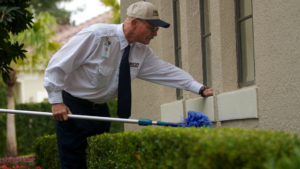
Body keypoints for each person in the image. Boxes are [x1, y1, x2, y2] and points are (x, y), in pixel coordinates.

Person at [43, 1, 213, 168]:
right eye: (152, 28)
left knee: (97, 161)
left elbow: (167, 72)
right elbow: (57, 66)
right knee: (74, 163)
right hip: (74, 110)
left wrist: (199, 88)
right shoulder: (96, 36)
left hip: (101, 112)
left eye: (157, 29)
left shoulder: (141, 52)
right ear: (134, 23)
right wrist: (57, 102)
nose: (155, 34)